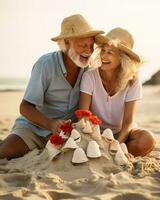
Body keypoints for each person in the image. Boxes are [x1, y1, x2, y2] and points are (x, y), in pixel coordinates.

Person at [0, 14, 104, 159]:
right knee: (5, 153)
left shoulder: (90, 69)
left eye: (91, 45)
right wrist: (50, 124)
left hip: (69, 133)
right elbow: (25, 107)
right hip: (34, 129)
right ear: (67, 43)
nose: (89, 50)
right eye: (83, 45)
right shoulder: (45, 64)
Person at [79, 27, 156, 157]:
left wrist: (117, 146)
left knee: (147, 139)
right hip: (95, 133)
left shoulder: (132, 81)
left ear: (122, 58)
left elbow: (128, 122)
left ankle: (115, 153)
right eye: (103, 50)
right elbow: (83, 116)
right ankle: (110, 153)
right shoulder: (90, 76)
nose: (103, 56)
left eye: (110, 52)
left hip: (122, 134)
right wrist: (93, 139)